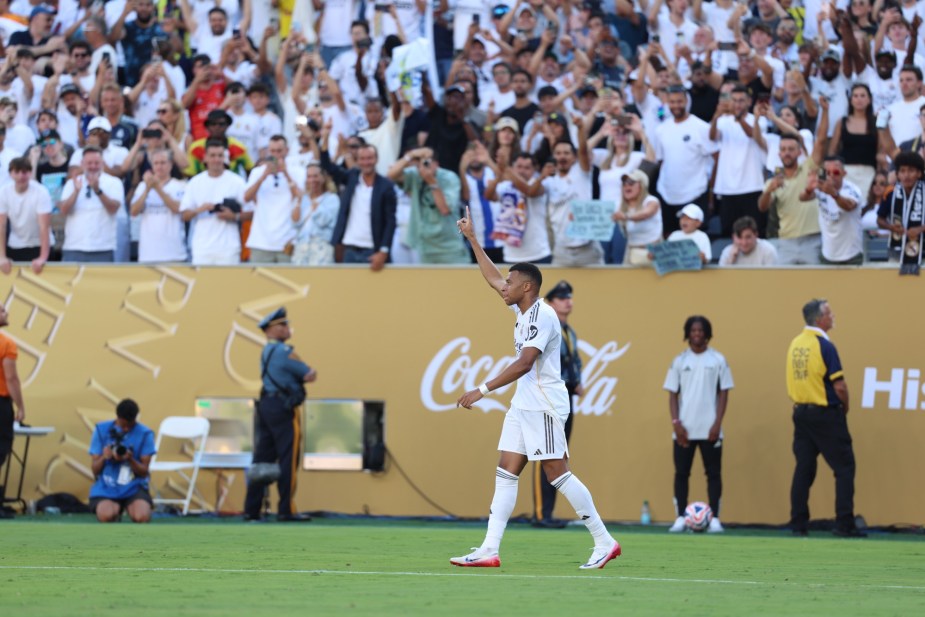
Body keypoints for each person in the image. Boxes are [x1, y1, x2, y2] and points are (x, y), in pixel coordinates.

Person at [451, 206, 621, 570]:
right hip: (523, 404)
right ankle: (489, 548)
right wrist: (473, 240)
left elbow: (525, 362)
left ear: (527, 287)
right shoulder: (522, 309)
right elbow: (493, 278)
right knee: (506, 470)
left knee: (556, 473)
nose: (504, 287)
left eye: (511, 284)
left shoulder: (543, 316)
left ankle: (604, 541)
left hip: (543, 404)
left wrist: (482, 388)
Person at [787, 299, 866, 538]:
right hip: (825, 413)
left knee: (804, 469)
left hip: (801, 413)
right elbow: (839, 386)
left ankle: (798, 524)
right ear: (819, 319)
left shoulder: (796, 344)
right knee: (844, 468)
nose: (833, 316)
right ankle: (844, 524)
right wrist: (845, 407)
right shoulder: (825, 346)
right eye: (829, 313)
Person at [243, 307, 317, 523]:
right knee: (288, 458)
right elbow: (309, 374)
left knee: (262, 458)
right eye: (281, 325)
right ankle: (286, 509)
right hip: (283, 407)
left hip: (266, 404)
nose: (286, 328)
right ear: (269, 330)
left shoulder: (266, 351)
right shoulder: (284, 352)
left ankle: (251, 510)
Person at [664, 315, 734, 534]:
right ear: (687, 333)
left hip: (710, 429)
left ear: (707, 333)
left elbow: (724, 393)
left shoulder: (718, 360)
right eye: (693, 330)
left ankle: (715, 518)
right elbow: (673, 394)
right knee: (681, 473)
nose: (697, 334)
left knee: (713, 474)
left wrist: (717, 423)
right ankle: (680, 518)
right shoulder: (679, 361)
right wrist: (676, 423)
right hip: (684, 429)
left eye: (701, 330)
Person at [532, 280, 584, 529]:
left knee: (559, 455)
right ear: (550, 302)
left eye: (569, 297)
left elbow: (575, 361)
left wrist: (578, 381)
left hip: (565, 397)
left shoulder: (569, 330)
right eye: (562, 298)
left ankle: (548, 513)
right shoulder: (547, 325)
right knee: (545, 454)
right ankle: (542, 513)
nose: (568, 302)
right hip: (549, 396)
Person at [180, 140, 249, 265]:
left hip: (229, 248)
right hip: (202, 248)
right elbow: (184, 215)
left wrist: (234, 216)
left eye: (220, 155)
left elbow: (251, 212)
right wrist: (200, 209)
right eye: (212, 155)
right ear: (205, 158)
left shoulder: (237, 182)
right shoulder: (195, 183)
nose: (216, 160)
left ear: (225, 158)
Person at [88, 399, 157, 524]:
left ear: (135, 419)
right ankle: (115, 509)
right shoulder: (101, 430)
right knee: (106, 516)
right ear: (117, 417)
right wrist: (104, 457)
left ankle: (128, 507)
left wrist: (130, 459)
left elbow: (144, 472)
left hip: (134, 486)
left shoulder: (145, 433)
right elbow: (94, 470)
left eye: (130, 426)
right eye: (122, 425)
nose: (125, 429)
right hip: (106, 486)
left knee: (142, 517)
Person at [0, 157, 52, 274]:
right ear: (10, 174)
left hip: (39, 245)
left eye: (24, 172)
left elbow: (44, 226)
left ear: (30, 173)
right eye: (16, 172)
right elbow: (1, 226)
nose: (20, 176)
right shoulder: (3, 192)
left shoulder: (41, 191)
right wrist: (1, 257)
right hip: (16, 245)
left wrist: (43, 257)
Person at [0, 303, 24, 516]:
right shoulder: (6, 343)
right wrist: (21, 407)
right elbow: (11, 378)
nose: (6, 313)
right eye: (2, 310)